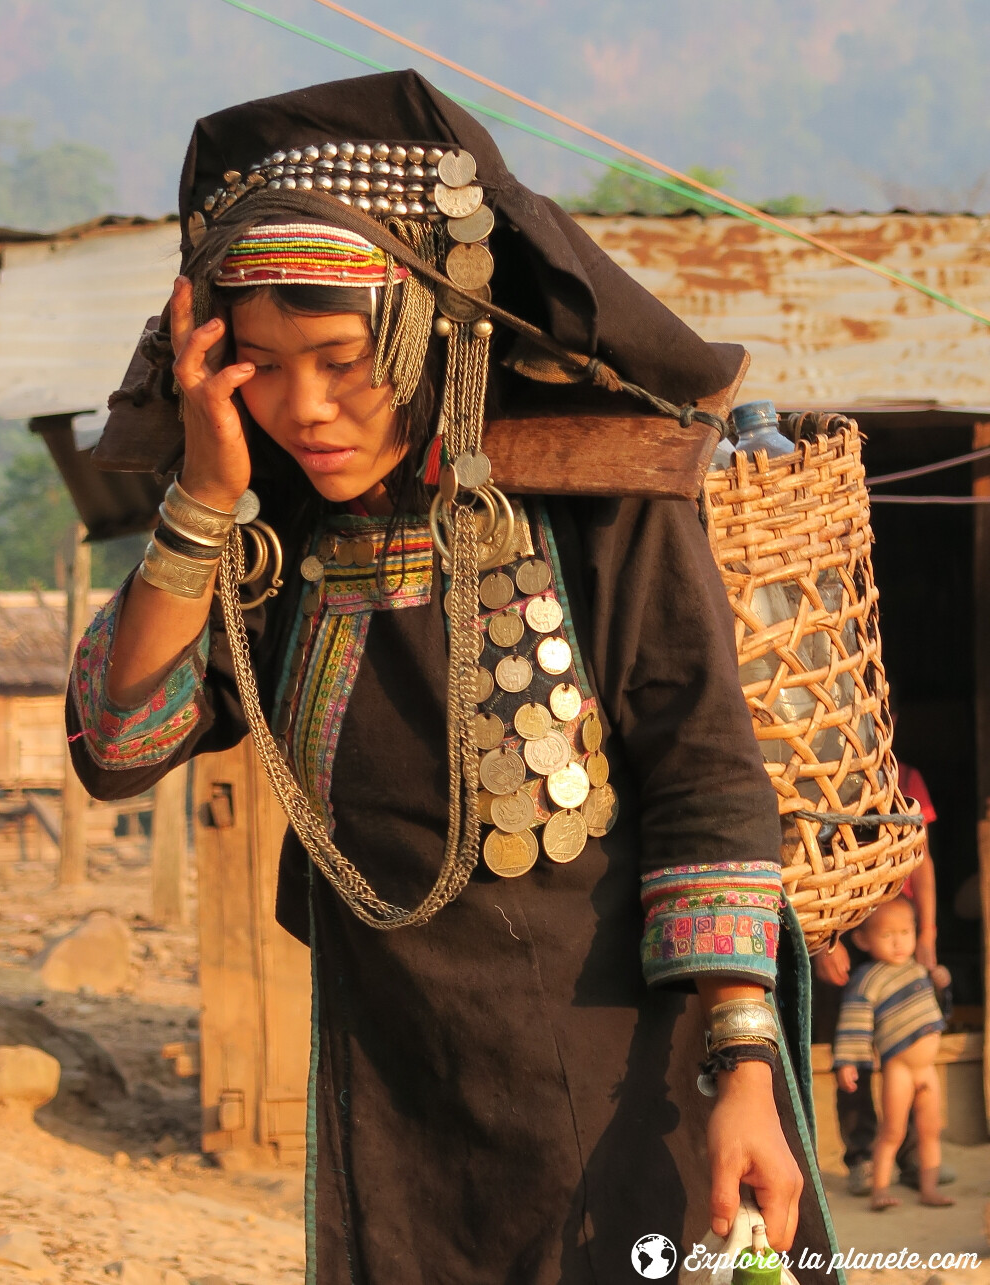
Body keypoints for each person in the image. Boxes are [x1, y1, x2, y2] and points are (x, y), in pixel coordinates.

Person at [68, 71, 841, 1284]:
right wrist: (205, 496)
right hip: (399, 1116)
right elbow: (117, 747)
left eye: (335, 358)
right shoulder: (265, 547)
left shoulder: (600, 491)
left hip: (639, 1087)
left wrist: (743, 1061)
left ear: (432, 323)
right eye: (258, 368)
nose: (303, 408)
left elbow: (701, 773)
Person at [832, 897, 952, 1210]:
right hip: (898, 1068)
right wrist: (847, 1062)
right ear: (862, 939)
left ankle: (929, 1189)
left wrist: (941, 986)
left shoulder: (919, 971)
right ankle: (880, 1191)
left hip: (927, 1070)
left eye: (905, 932)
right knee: (892, 1132)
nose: (898, 942)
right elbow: (854, 1025)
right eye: (887, 935)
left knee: (930, 1132)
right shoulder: (867, 980)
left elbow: (937, 1012)